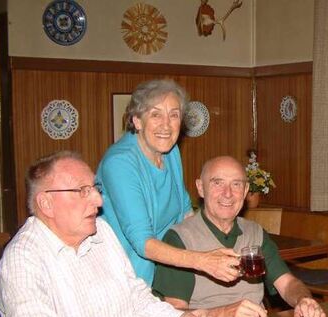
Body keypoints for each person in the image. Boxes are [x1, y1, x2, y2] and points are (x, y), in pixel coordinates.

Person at [0, 151, 212, 317]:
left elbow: (135, 300)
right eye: (82, 191)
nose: (98, 200)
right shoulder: (22, 259)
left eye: (95, 189)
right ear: (46, 203)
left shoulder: (102, 233)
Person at [153, 157, 326, 317]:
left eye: (236, 184)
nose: (227, 193)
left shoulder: (256, 233)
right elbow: (173, 313)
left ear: (245, 191)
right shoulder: (180, 238)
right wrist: (221, 314)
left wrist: (304, 300)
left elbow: (288, 283)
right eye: (217, 183)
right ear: (201, 188)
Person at [97, 79, 239, 286]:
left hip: (165, 272)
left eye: (174, 115)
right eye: (156, 114)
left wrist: (218, 244)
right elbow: (143, 243)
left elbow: (185, 212)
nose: (166, 125)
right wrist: (204, 261)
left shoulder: (170, 152)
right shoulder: (120, 163)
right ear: (137, 121)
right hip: (124, 278)